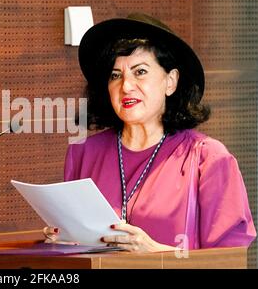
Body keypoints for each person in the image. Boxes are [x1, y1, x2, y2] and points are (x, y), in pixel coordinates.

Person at [45, 13, 256, 252]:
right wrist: (64, 243)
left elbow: (229, 262)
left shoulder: (208, 159)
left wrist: (155, 253)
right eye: (115, 75)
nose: (125, 86)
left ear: (171, 81)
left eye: (140, 72)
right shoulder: (84, 153)